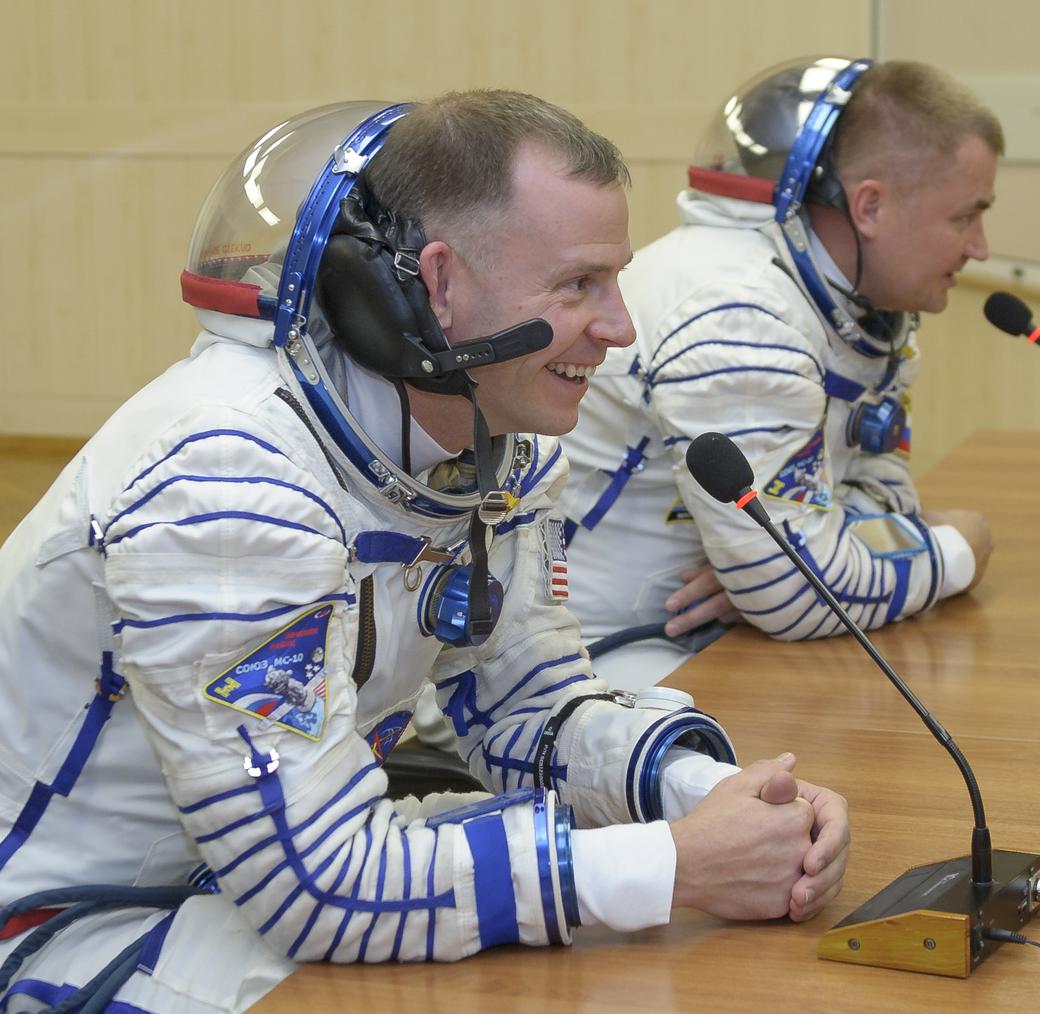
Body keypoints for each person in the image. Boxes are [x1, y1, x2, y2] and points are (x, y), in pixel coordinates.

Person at [0, 93, 848, 1013]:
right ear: (436, 284)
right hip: (70, 923)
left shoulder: (496, 442)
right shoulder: (230, 485)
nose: (620, 328)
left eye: (616, 281)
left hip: (243, 883)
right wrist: (672, 865)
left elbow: (526, 703)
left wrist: (714, 798)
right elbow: (314, 891)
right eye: (577, 286)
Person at [558, 58, 1001, 687]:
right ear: (870, 206)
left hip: (693, 644)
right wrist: (960, 551)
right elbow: (795, 593)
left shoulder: (840, 301)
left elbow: (879, 490)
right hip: (591, 667)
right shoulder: (740, 314)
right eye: (964, 216)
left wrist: (781, 574)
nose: (980, 246)